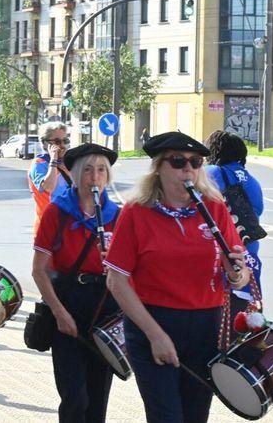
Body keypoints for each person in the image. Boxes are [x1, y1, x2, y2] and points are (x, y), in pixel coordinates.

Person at [105, 131, 249, 423]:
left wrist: (237, 274)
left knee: (195, 416)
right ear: (159, 167)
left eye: (196, 163)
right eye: (179, 162)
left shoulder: (214, 207)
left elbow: (240, 275)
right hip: (153, 323)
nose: (189, 170)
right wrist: (155, 335)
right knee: (166, 417)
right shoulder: (136, 212)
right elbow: (116, 281)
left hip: (206, 326)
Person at [31, 143, 121, 423]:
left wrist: (115, 261)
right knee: (74, 395)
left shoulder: (117, 216)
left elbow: (134, 271)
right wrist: (59, 313)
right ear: (77, 175)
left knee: (98, 396)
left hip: (104, 306)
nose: (95, 178)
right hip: (67, 303)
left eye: (102, 171)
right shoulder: (57, 213)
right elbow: (38, 270)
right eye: (88, 171)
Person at [204, 130, 264, 304]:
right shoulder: (253, 181)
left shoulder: (212, 172)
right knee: (240, 321)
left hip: (223, 255)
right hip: (249, 255)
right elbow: (257, 212)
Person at [30, 121, 71, 227]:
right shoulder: (39, 163)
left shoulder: (68, 163)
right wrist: (53, 159)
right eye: (57, 142)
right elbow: (49, 187)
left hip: (68, 224)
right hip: (47, 225)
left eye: (65, 141)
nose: (62, 145)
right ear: (45, 143)